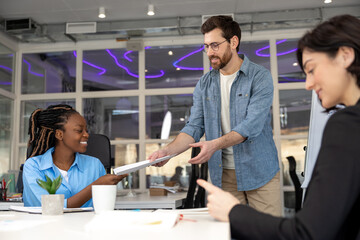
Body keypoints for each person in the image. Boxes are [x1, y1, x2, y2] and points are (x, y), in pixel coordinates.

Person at [197, 14, 360, 239]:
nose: (308, 84)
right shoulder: (206, 83)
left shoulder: (347, 125)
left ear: (345, 56)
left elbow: (307, 233)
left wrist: (233, 212)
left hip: (261, 173)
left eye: (312, 69)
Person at [149, 15, 280, 216]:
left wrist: (214, 144)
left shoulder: (259, 77)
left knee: (269, 232)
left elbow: (250, 126)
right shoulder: (205, 84)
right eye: (206, 46)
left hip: (261, 173)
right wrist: (168, 151)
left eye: (215, 45)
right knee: (229, 232)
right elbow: (194, 127)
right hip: (224, 176)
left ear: (233, 42)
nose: (210, 52)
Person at [23, 104, 127, 208]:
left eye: (86, 130)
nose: (86, 135)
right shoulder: (33, 166)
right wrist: (96, 186)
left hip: (87, 223)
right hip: (46, 224)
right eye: (79, 130)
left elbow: (103, 206)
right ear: (59, 134)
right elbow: (49, 207)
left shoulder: (95, 165)